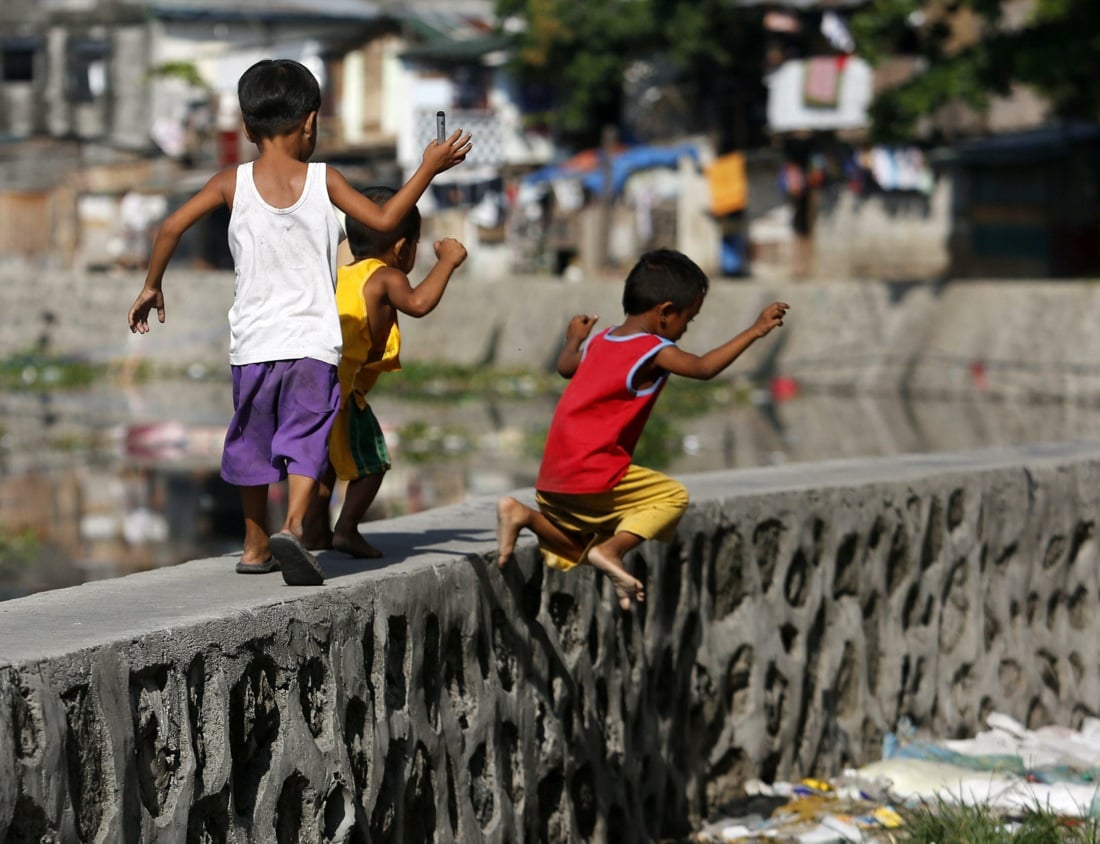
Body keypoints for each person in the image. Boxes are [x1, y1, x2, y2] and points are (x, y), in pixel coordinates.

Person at [126, 58, 471, 586]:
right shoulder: (323, 179)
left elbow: (171, 226)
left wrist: (152, 284)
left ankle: (254, 545)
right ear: (310, 123)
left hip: (253, 344)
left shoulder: (230, 183)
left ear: (247, 128)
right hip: (312, 343)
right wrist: (428, 167)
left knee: (253, 442)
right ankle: (291, 525)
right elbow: (383, 220)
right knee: (306, 440)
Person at [496, 249, 789, 610]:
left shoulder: (601, 339)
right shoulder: (654, 349)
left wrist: (574, 339)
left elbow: (566, 367)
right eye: (688, 320)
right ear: (665, 312)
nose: (685, 329)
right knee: (671, 497)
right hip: (593, 474)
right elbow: (703, 368)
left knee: (579, 548)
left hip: (552, 481)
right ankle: (612, 551)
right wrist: (756, 331)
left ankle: (522, 514)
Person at [302, 186, 467, 557]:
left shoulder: (342, 275)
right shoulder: (385, 277)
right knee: (373, 463)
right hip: (343, 392)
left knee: (326, 465)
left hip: (315, 383)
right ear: (403, 247)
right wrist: (447, 262)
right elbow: (419, 303)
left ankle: (314, 532)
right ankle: (346, 529)